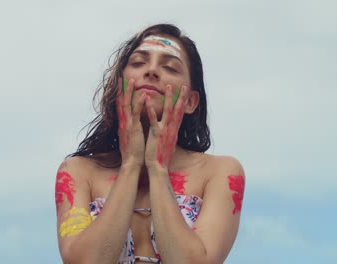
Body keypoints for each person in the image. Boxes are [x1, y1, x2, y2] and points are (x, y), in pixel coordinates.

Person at [54, 24, 245, 264]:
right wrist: (131, 164)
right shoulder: (77, 172)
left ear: (191, 102)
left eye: (170, 67)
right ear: (118, 88)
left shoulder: (220, 173)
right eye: (138, 63)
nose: (152, 71)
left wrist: (158, 168)